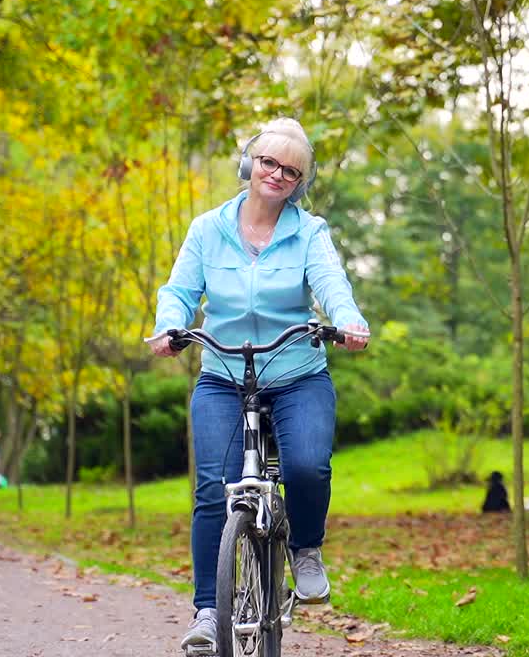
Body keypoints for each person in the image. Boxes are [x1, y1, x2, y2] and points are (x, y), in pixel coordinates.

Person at [146, 117, 369, 655]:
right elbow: (179, 290)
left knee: (307, 466)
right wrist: (167, 326)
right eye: (268, 162)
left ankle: (306, 549)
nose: (277, 174)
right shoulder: (207, 229)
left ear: (299, 182)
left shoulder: (309, 232)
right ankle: (207, 612)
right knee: (211, 490)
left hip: (296, 374)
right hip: (224, 374)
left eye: (290, 170)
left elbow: (330, 284)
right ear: (250, 165)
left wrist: (348, 320)